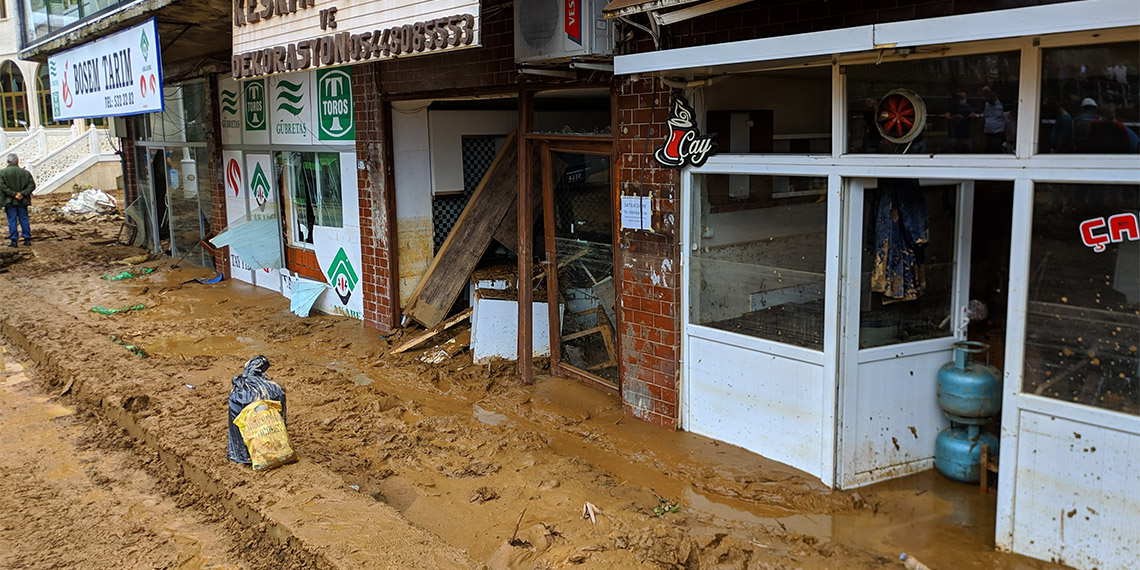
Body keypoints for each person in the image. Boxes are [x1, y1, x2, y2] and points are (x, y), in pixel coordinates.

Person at [0, 154, 34, 248]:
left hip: (9, 201)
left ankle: (14, 240)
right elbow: (31, 186)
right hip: (22, 201)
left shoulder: (2, 173)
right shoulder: (26, 173)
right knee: (24, 219)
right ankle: (27, 239)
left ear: (7, 162)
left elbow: (2, 187)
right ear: (17, 161)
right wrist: (21, 194)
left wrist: (13, 194)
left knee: (12, 220)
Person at [981, 86, 1008, 153]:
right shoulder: (987, 104)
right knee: (988, 149)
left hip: (997, 132)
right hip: (988, 131)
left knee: (996, 149)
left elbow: (991, 97)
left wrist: (987, 90)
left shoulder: (997, 103)